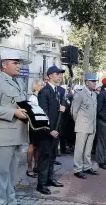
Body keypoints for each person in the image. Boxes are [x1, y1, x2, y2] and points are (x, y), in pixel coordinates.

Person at [0, 49, 28, 204]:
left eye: (19, 63)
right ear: (4, 65)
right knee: (1, 174)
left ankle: (11, 200)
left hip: (17, 134)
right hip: (2, 135)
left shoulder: (18, 82)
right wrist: (13, 112)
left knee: (12, 174)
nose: (18, 66)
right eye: (15, 63)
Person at [37, 65, 65, 195]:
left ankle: (49, 179)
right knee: (44, 157)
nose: (59, 75)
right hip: (47, 131)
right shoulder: (45, 91)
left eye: (60, 74)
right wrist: (49, 130)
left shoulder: (58, 91)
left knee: (52, 156)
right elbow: (43, 113)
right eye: (57, 73)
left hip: (56, 130)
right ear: (49, 76)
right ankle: (41, 184)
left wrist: (62, 108)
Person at [71, 74, 98, 179]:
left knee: (88, 149)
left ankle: (87, 166)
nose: (95, 83)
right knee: (79, 149)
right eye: (92, 81)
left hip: (92, 125)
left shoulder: (94, 95)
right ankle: (77, 169)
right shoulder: (80, 94)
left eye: (95, 81)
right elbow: (74, 111)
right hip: (82, 125)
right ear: (86, 82)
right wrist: (79, 122)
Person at [26, 79, 44, 178]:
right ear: (35, 86)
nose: (42, 86)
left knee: (37, 147)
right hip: (34, 125)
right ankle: (29, 168)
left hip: (40, 125)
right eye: (41, 85)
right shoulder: (33, 98)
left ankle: (36, 166)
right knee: (32, 147)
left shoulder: (39, 97)